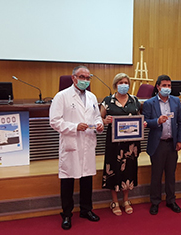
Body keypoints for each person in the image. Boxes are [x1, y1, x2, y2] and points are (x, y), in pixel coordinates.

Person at [49, 65, 104, 230]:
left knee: (87, 178)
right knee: (68, 180)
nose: (85, 81)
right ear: (73, 78)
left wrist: (100, 125)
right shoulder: (62, 96)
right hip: (71, 143)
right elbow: (54, 121)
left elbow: (96, 116)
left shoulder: (92, 97)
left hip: (87, 143)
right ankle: (66, 214)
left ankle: (86, 210)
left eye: (88, 78)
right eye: (82, 77)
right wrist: (74, 127)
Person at [142, 74, 181, 215]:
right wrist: (157, 121)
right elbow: (146, 123)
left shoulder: (175, 101)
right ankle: (155, 202)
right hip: (157, 144)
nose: (167, 88)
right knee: (156, 175)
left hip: (172, 143)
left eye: (169, 86)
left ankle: (171, 200)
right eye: (164, 86)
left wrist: (180, 140)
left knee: (171, 175)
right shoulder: (149, 103)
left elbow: (180, 122)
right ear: (158, 86)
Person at [101, 73, 142, 216]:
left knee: (129, 170)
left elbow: (139, 117)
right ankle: (114, 201)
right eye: (120, 82)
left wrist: (140, 124)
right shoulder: (107, 101)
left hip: (130, 144)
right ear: (115, 84)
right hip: (114, 144)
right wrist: (105, 121)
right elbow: (99, 119)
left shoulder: (135, 100)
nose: (124, 85)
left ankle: (126, 200)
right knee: (113, 170)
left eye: (126, 82)